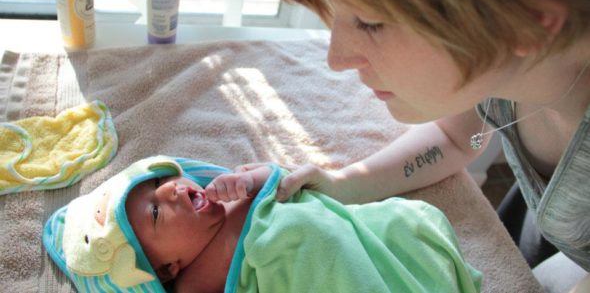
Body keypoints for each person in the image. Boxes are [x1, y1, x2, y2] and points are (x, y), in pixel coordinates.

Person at [262, 0, 590, 292]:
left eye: (370, 22)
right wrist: (342, 185)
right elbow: (456, 140)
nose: (337, 59)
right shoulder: (505, 63)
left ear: (525, 24)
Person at [43, 156, 482, 293]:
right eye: (156, 212)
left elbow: (277, 179)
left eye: (159, 181)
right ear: (165, 268)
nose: (173, 189)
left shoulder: (226, 194)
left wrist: (248, 180)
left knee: (403, 229)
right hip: (306, 268)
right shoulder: (191, 282)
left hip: (332, 233)